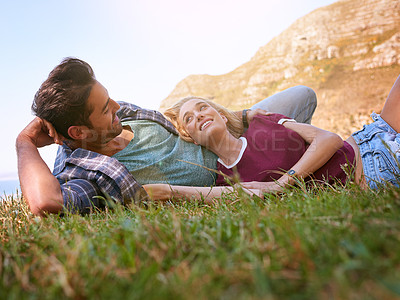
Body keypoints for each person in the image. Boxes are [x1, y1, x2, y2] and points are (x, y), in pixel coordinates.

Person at [16, 57, 317, 216]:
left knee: (301, 96)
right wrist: (24, 142)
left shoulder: (124, 114)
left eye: (111, 99)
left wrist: (238, 117)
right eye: (106, 109)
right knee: (293, 145)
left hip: (225, 137)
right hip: (231, 174)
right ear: (79, 132)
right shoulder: (86, 175)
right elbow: (45, 202)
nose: (117, 107)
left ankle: (304, 152)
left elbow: (176, 120)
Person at [145, 74, 400, 201]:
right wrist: (168, 191)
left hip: (370, 136)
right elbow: (175, 193)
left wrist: (283, 183)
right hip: (375, 171)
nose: (198, 116)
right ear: (192, 139)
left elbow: (329, 139)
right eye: (189, 119)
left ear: (222, 116)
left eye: (202, 107)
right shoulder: (226, 180)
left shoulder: (261, 120)